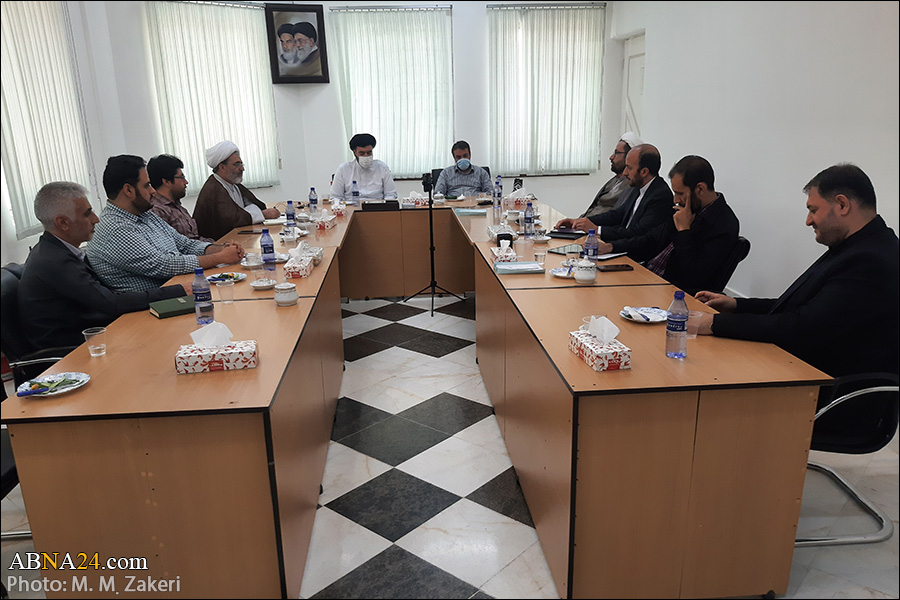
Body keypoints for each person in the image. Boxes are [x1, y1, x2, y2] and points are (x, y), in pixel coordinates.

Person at [694, 163, 899, 379]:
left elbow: (802, 328)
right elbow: (804, 308)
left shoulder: (870, 260)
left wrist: (714, 323)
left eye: (813, 210)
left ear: (841, 205)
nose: (808, 221)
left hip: (826, 392)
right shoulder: (859, 245)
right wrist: (735, 305)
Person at [17, 181, 189, 350]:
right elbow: (110, 303)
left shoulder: (56, 250)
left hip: (91, 335)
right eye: (87, 213)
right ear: (63, 222)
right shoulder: (54, 261)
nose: (96, 219)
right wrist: (179, 291)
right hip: (72, 352)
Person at [86, 155, 244, 292]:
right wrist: (219, 257)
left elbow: (185, 244)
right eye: (147, 185)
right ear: (128, 190)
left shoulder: (145, 215)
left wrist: (222, 249)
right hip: (147, 311)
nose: (153, 191)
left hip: (177, 291)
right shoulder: (116, 229)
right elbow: (163, 265)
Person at [594, 155, 740, 295]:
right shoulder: (687, 209)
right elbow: (650, 239)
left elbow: (696, 277)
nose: (675, 199)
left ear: (700, 189)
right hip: (648, 277)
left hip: (672, 294)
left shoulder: (724, 225)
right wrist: (611, 247)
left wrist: (684, 232)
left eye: (680, 193)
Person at [555, 144, 673, 242]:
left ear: (644, 172)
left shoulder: (660, 195)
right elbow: (617, 215)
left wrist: (597, 230)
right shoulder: (638, 187)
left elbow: (638, 233)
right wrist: (579, 222)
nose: (625, 173)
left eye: (629, 168)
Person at [193, 140, 280, 241]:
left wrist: (257, 212)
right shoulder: (214, 188)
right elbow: (231, 220)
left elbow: (249, 205)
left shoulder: (233, 184)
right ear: (222, 167)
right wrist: (263, 214)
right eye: (236, 164)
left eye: (241, 164)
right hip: (217, 244)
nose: (242, 168)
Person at [147, 154, 213, 242]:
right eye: (181, 177)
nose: (186, 182)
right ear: (166, 181)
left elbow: (195, 239)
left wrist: (218, 246)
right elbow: (175, 249)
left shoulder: (178, 207)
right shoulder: (157, 211)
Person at [580, 132, 643, 218]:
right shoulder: (615, 180)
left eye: (616, 153)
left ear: (629, 156)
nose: (611, 157)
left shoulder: (632, 184)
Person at [330, 133, 398, 202]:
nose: (366, 156)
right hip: (351, 208)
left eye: (369, 153)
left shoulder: (382, 167)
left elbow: (391, 194)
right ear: (354, 152)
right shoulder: (343, 169)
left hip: (377, 208)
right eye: (362, 153)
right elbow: (335, 197)